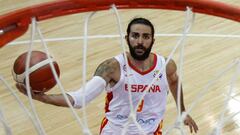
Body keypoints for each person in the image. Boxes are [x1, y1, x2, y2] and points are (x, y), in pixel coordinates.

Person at [17, 17, 198, 135]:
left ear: (153, 40)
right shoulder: (112, 67)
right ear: (127, 39)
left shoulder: (166, 66)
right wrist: (42, 98)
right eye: (135, 36)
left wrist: (182, 110)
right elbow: (80, 98)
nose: (140, 41)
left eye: (146, 37)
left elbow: (174, 82)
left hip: (150, 131)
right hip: (115, 131)